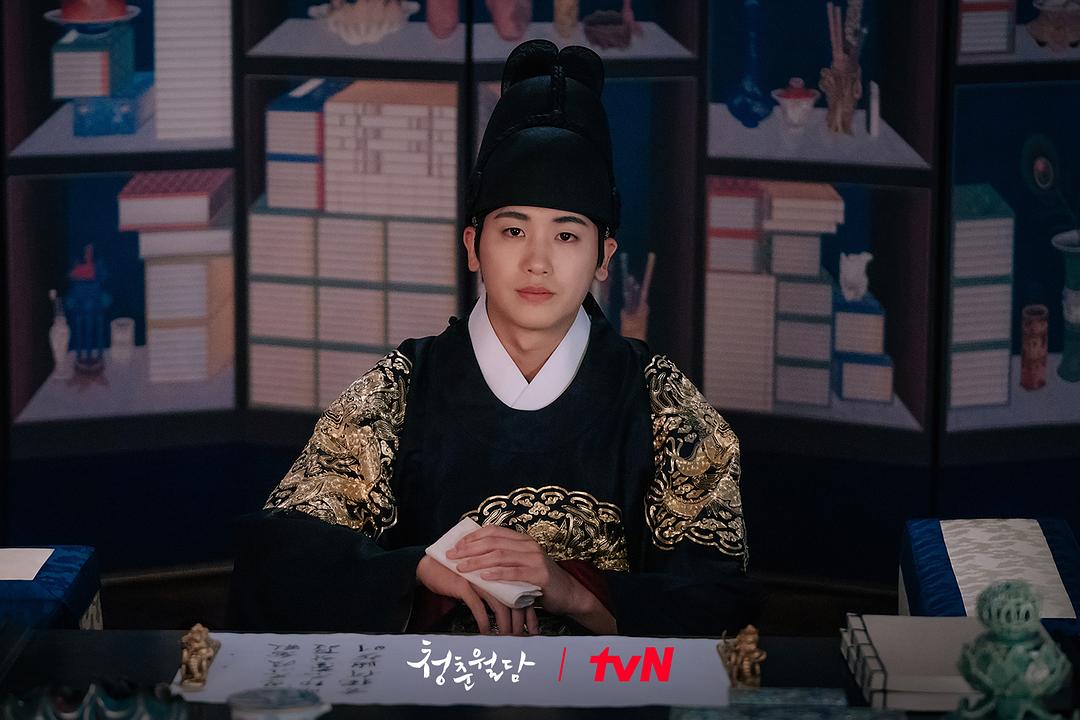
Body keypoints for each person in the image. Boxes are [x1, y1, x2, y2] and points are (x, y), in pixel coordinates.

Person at [228, 39, 757, 637]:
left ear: (604, 257)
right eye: (512, 231)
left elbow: (718, 600)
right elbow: (282, 552)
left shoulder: (661, 404)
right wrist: (415, 572)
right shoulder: (400, 392)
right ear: (473, 246)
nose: (538, 262)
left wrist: (574, 590)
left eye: (566, 236)